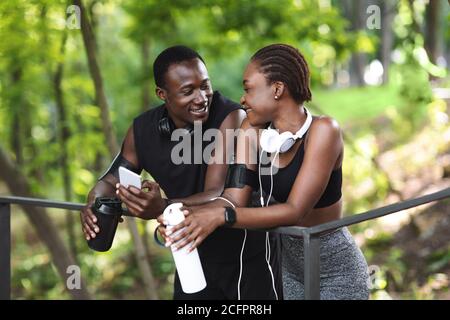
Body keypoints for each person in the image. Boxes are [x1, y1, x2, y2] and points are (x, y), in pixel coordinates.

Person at [164, 44, 370, 300]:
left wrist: (221, 217)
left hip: (334, 270)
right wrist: (185, 214)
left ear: (277, 89)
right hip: (290, 270)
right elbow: (233, 198)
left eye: (248, 88)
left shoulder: (324, 130)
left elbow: (295, 210)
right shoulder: (251, 129)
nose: (242, 99)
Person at [80, 45, 282, 300]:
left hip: (245, 256)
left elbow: (218, 192)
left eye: (205, 86)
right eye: (188, 91)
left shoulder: (231, 117)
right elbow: (109, 180)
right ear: (162, 94)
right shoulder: (142, 130)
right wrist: (92, 203)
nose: (201, 97)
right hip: (188, 253)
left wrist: (163, 206)